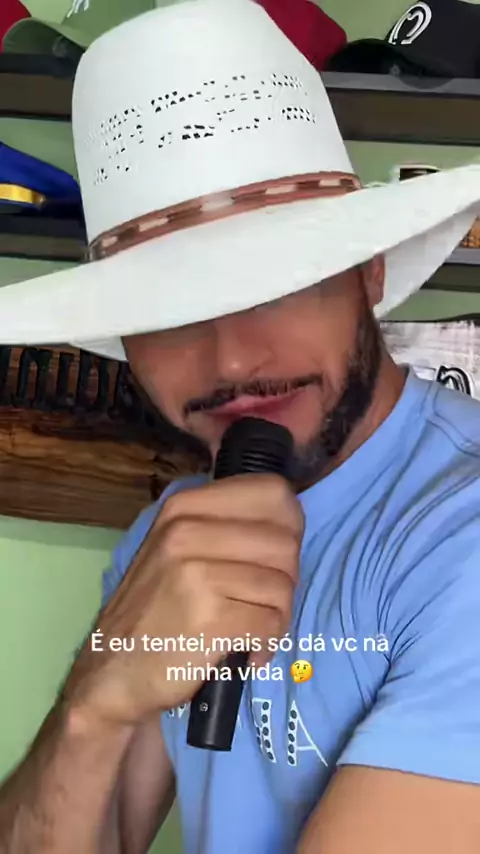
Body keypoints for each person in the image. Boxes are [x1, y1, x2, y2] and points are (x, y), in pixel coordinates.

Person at [1, 1, 480, 852]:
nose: (228, 359)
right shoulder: (175, 531)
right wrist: (93, 703)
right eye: (168, 309)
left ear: (367, 271)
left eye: (277, 284)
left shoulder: (459, 532)